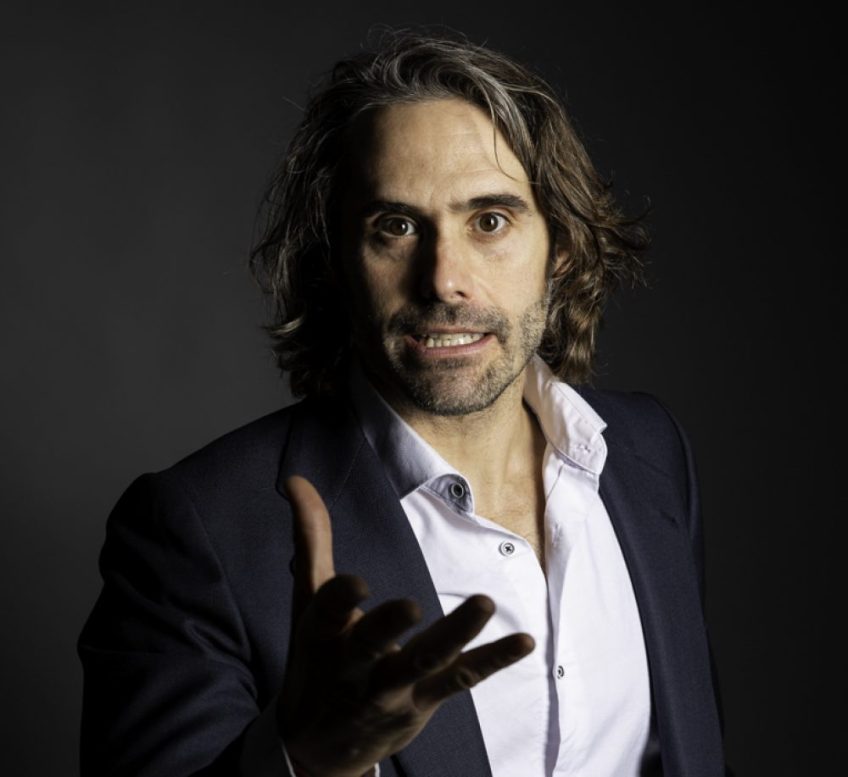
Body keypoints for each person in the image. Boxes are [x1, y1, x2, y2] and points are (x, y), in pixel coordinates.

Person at [79, 31, 730, 777]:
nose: (443, 279)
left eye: (490, 220)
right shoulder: (202, 530)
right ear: (333, 261)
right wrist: (301, 760)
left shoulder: (649, 454)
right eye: (395, 227)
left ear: (562, 248)